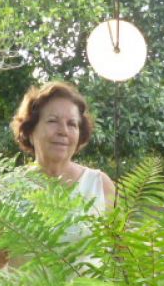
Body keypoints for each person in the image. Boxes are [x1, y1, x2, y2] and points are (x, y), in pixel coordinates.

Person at [10, 81, 115, 213]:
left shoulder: (100, 185)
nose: (63, 131)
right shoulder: (9, 189)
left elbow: (120, 233)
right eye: (53, 121)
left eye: (71, 124)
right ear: (30, 131)